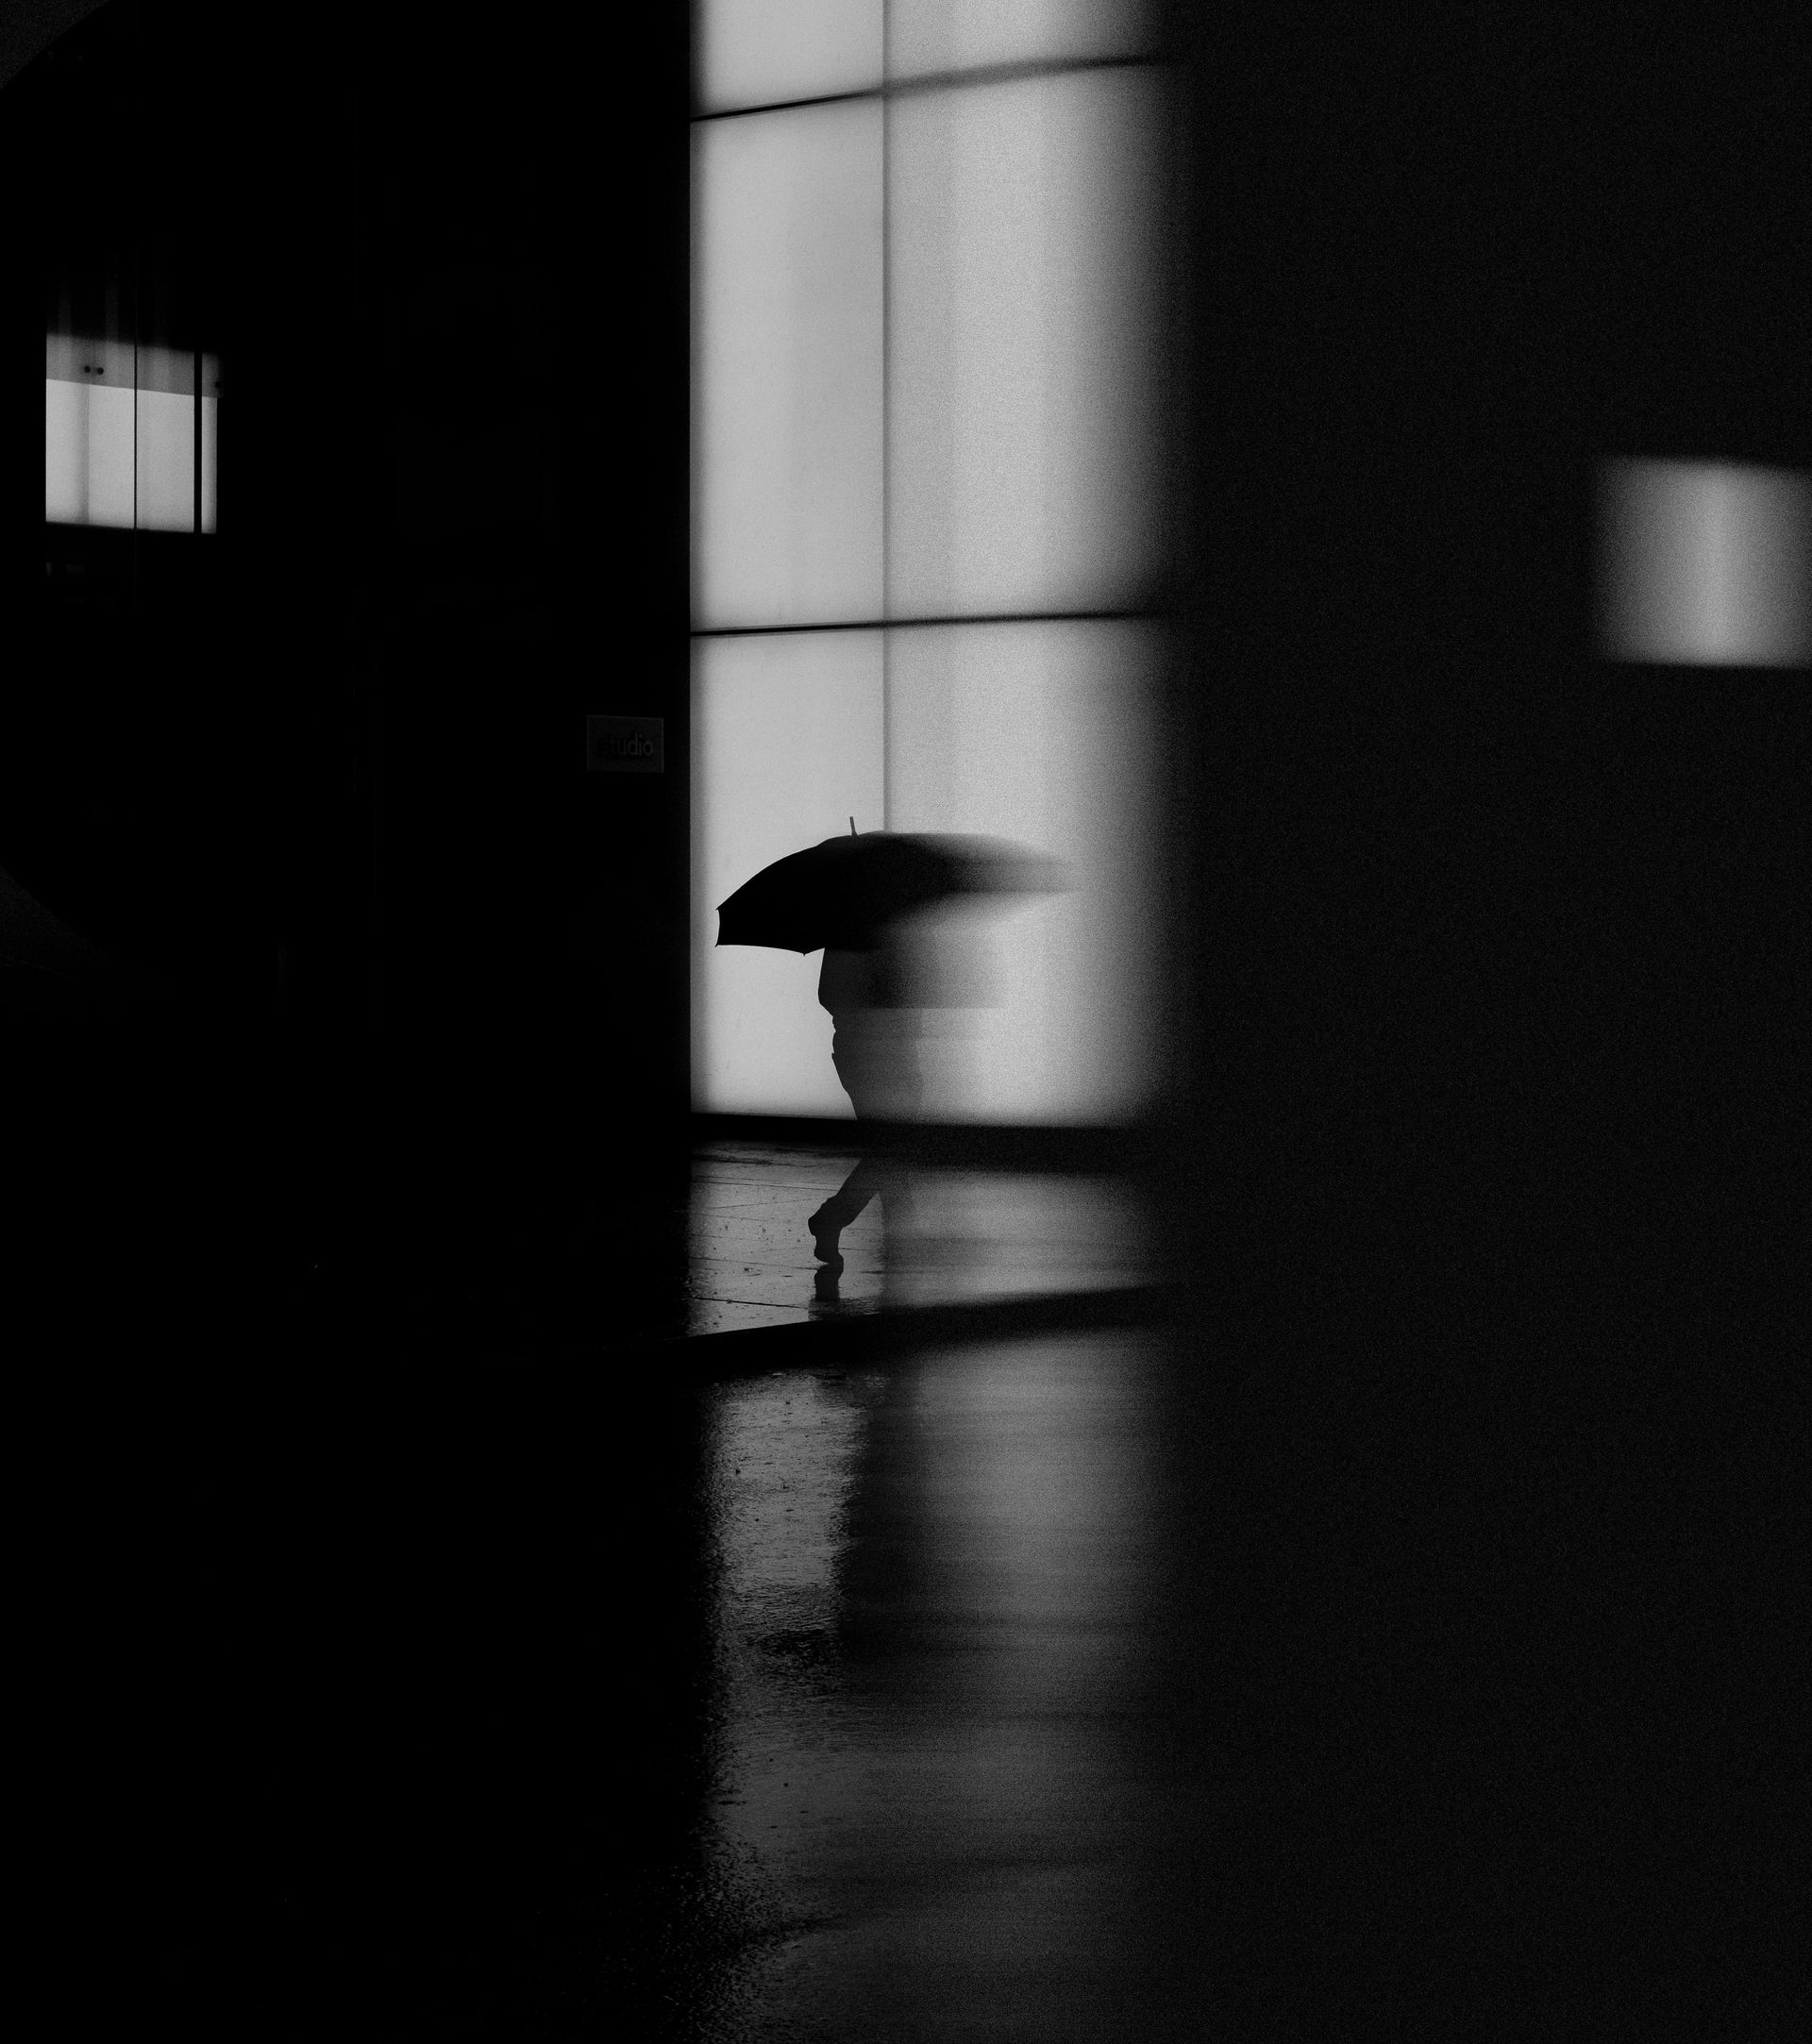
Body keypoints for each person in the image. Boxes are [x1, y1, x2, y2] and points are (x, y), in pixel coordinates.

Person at [806, 924, 923, 1275]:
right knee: (891, 1149)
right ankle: (847, 1221)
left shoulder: (847, 935)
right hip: (883, 1054)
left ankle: (893, 1235)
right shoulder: (889, 935)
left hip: (865, 1051)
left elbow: (827, 995)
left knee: (888, 1148)